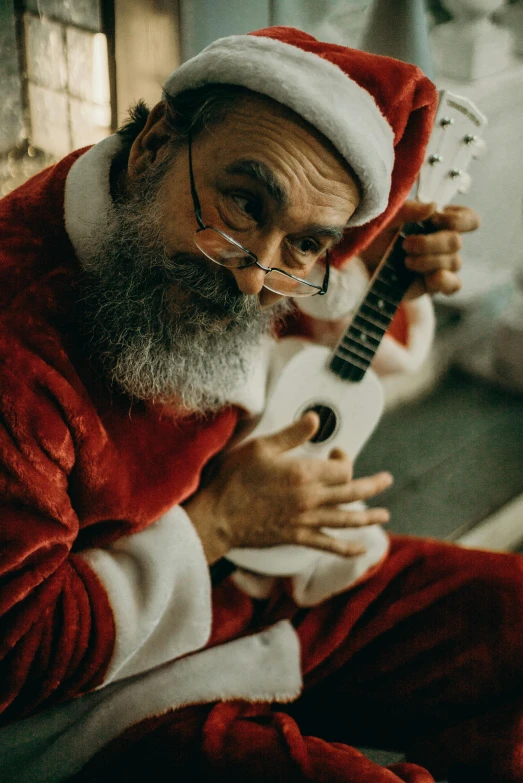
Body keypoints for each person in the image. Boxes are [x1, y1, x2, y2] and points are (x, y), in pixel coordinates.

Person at [0, 25, 520, 783]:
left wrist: (381, 275)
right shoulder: (17, 348)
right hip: (94, 701)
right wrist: (219, 522)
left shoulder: (199, 242)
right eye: (244, 202)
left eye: (307, 244)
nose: (255, 279)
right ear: (150, 147)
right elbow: (12, 658)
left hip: (252, 588)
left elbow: (292, 317)